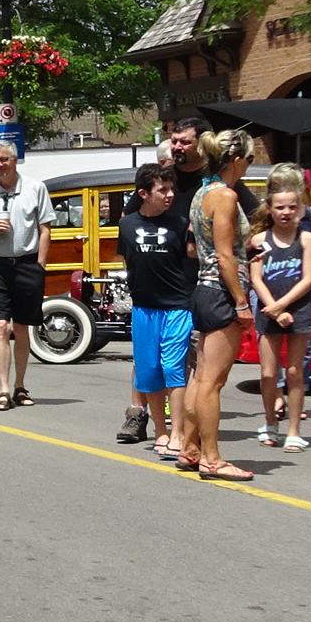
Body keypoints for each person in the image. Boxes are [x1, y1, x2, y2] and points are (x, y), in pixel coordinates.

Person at [178, 128, 258, 481]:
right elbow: (224, 255)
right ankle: (211, 457)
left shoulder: (202, 193)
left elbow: (198, 247)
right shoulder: (225, 195)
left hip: (204, 289)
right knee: (212, 381)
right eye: (250, 160)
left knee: (202, 377)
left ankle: (190, 447)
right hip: (222, 292)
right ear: (237, 160)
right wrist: (241, 303)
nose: (249, 166)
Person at [0, 139, 53, 411]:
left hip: (27, 263)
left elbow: (45, 229)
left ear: (14, 160)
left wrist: (40, 265)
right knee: (1, 325)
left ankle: (20, 385)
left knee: (21, 326)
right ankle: (3, 389)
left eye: (3, 159)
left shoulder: (35, 188)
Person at [117, 164, 193, 459]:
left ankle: (178, 433)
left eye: (171, 189)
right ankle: (160, 432)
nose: (170, 195)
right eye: (163, 190)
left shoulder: (180, 223)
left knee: (173, 369)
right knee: (148, 372)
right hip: (144, 309)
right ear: (144, 194)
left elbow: (190, 259)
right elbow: (128, 263)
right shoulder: (127, 225)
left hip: (176, 307)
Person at [251, 173, 311, 452]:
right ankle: (270, 424)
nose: (286, 212)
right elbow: (256, 278)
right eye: (280, 207)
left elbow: (308, 277)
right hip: (268, 313)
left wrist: (283, 306)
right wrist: (273, 308)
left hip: (299, 311)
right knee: (269, 374)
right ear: (269, 208)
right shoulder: (260, 240)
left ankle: (294, 430)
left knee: (294, 372)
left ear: (300, 208)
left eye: (292, 207)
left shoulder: (307, 239)